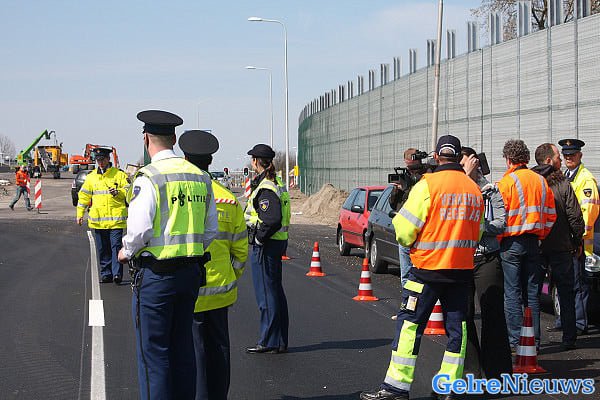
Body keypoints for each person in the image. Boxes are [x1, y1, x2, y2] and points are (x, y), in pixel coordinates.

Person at [361, 135, 484, 400]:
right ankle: (448, 387)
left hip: (426, 271)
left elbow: (404, 231)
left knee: (410, 326)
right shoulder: (473, 189)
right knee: (457, 330)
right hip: (460, 273)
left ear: (437, 157)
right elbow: (479, 232)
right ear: (458, 157)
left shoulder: (427, 186)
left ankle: (396, 388)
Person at [117, 110, 218, 400]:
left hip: (157, 278)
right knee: (182, 348)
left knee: (154, 355)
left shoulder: (149, 177)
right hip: (190, 274)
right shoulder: (200, 177)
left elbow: (139, 229)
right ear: (174, 139)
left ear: (146, 139)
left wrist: (126, 251)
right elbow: (210, 230)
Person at [178, 130, 248, 400]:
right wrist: (231, 275)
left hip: (190, 289)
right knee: (219, 350)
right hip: (221, 290)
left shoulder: (181, 196)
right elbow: (240, 250)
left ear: (186, 159)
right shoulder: (228, 199)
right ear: (210, 161)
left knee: (193, 353)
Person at [497, 139, 556, 351]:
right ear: (527, 158)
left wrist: (499, 242)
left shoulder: (506, 183)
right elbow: (551, 215)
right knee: (532, 294)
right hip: (533, 243)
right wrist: (540, 236)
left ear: (508, 159)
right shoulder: (541, 181)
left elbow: (499, 220)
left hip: (511, 244)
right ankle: (534, 341)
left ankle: (516, 341)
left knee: (512, 293)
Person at [459, 147, 512, 379]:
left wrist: (478, 227)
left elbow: (501, 223)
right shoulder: (456, 190)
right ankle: (470, 370)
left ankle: (497, 372)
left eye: (465, 164)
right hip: (460, 259)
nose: (463, 169)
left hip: (486, 257)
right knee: (462, 316)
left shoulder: (490, 190)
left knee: (493, 313)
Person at [532, 143, 584, 350]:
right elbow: (575, 216)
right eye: (557, 157)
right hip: (561, 247)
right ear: (548, 161)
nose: (561, 160)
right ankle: (569, 338)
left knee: (532, 294)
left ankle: (533, 340)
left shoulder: (530, 182)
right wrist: (577, 240)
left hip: (536, 247)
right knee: (566, 292)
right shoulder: (562, 183)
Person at [244, 143, 291, 354]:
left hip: (267, 245)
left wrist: (259, 239)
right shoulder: (277, 182)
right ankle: (279, 340)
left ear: (256, 161)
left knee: (266, 293)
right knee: (275, 292)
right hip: (278, 242)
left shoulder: (265, 187)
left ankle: (268, 340)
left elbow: (271, 219)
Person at [557, 138, 599, 335]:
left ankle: (579, 323)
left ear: (580, 155)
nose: (568, 158)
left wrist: (578, 238)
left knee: (578, 285)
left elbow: (588, 213)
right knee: (565, 283)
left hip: (578, 243)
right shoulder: (566, 176)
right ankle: (566, 321)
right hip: (566, 241)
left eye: (572, 155)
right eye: (566, 155)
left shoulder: (586, 179)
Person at [77, 147, 129, 284]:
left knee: (115, 247)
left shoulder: (119, 175)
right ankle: (106, 273)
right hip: (98, 221)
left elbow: (129, 191)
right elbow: (84, 196)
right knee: (103, 249)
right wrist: (80, 213)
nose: (100, 162)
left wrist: (118, 192)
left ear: (108, 159)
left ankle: (117, 274)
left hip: (116, 220)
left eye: (102, 159)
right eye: (98, 160)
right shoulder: (91, 177)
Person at [388, 148, 424, 287]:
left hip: (422, 229)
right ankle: (408, 295)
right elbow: (393, 204)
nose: (412, 170)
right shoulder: (404, 177)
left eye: (414, 167)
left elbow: (420, 200)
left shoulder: (426, 177)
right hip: (406, 229)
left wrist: (407, 189)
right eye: (409, 167)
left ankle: (417, 295)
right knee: (406, 271)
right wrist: (397, 190)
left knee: (420, 270)